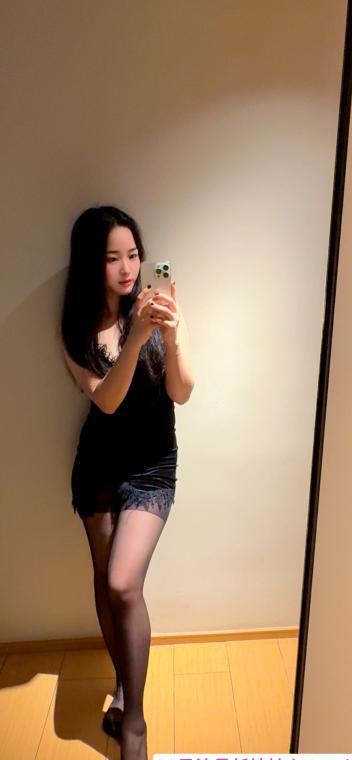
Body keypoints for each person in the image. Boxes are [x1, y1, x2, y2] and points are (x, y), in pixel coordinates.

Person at [60, 205, 194, 760]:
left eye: (133, 255)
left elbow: (182, 392)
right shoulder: (76, 329)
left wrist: (171, 333)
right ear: (91, 263)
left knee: (122, 583)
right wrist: (135, 338)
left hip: (152, 466)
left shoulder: (158, 311)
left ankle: (133, 723)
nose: (126, 268)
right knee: (104, 578)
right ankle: (122, 685)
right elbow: (108, 402)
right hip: (98, 465)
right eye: (112, 257)